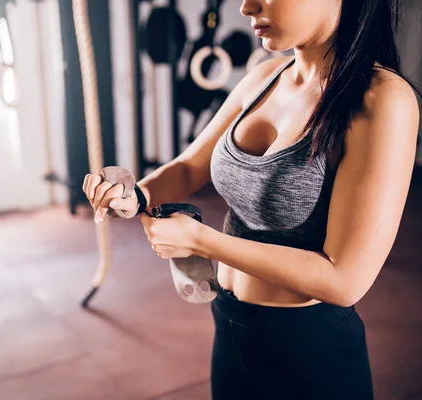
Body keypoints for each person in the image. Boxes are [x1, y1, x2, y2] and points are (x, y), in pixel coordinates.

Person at [82, 0, 420, 398]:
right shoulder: (266, 76)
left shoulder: (381, 100)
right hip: (229, 323)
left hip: (308, 353)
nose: (246, 7)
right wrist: (134, 195)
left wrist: (200, 241)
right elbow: (191, 167)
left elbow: (344, 280)